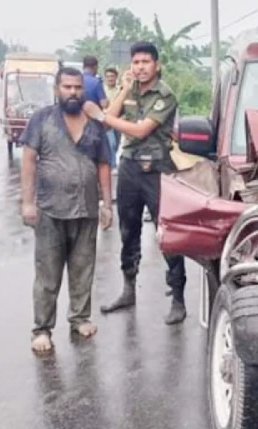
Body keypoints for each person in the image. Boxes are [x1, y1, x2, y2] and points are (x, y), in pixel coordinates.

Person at [82, 41, 188, 325]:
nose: (140, 67)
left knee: (167, 234)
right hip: (129, 166)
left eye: (146, 62)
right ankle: (128, 290)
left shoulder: (165, 95)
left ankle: (178, 297)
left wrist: (103, 116)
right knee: (128, 230)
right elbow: (109, 122)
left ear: (157, 65)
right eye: (136, 62)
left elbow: (141, 130)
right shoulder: (130, 91)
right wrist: (125, 90)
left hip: (157, 169)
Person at [20, 66, 113, 353]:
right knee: (48, 273)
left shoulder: (94, 124)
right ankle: (42, 329)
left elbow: (104, 165)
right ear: (57, 89)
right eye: (67, 87)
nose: (73, 92)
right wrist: (27, 202)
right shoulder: (41, 120)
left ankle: (80, 318)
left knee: (83, 269)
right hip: (50, 209)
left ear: (83, 90)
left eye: (77, 88)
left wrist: (107, 204)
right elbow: (29, 160)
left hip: (85, 209)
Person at [103, 67, 121, 169]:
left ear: (116, 77)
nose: (110, 78)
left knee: (117, 143)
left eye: (112, 76)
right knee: (112, 143)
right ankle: (112, 165)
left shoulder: (120, 90)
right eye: (108, 76)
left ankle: (112, 160)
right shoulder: (102, 89)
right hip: (106, 121)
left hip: (118, 120)